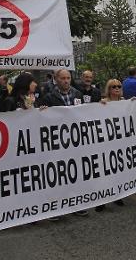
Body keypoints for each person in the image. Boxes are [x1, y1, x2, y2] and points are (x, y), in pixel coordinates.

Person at [38, 69, 87, 218]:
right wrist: (42, 111)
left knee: (75, 174)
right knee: (58, 174)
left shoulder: (78, 94)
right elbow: (41, 120)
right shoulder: (48, 97)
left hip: (75, 141)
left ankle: (76, 204)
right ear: (56, 79)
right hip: (57, 142)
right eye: (63, 78)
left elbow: (86, 113)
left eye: (68, 78)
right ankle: (55, 207)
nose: (66, 81)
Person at [95, 79, 127, 212]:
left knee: (118, 169)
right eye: (113, 87)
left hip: (120, 142)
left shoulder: (125, 102)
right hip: (106, 143)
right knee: (105, 171)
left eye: (119, 86)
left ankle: (117, 195)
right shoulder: (104, 102)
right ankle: (101, 200)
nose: (117, 88)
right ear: (109, 89)